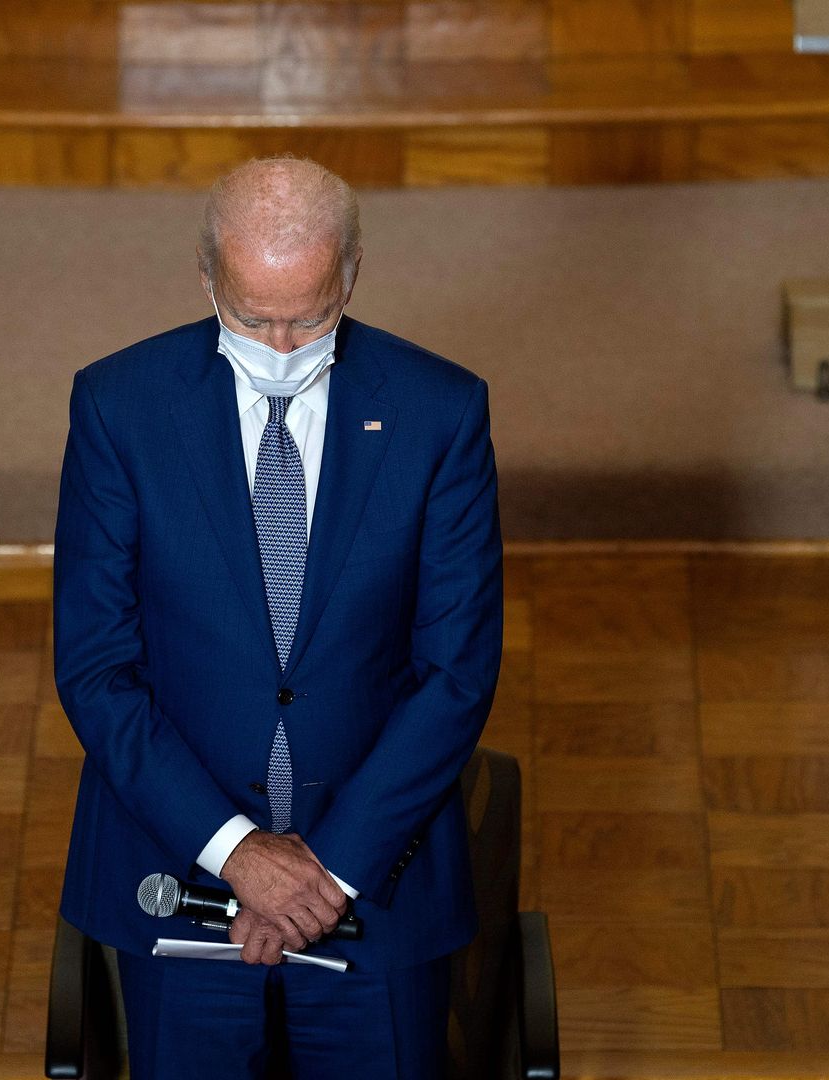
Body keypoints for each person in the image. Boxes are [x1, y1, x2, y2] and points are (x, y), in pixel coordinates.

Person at [51, 154, 504, 1078]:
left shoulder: (441, 412)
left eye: (312, 315)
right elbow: (97, 668)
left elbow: (455, 673)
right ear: (206, 277)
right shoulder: (117, 407)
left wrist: (323, 876)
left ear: (353, 274)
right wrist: (239, 855)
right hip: (176, 883)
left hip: (379, 887)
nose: (284, 348)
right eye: (254, 318)